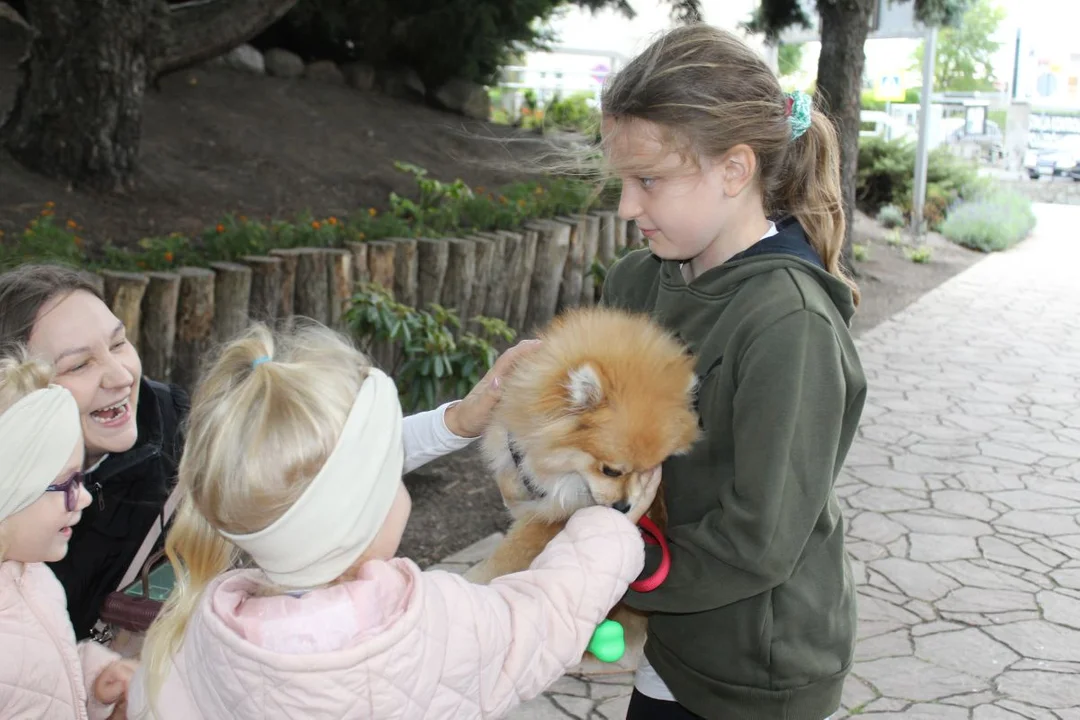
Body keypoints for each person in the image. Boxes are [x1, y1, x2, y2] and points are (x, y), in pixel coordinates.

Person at [127, 322, 657, 719]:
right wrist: (611, 527)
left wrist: (457, 420)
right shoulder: (424, 621)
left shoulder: (199, 632)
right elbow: (543, 617)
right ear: (370, 508)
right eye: (391, 470)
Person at [0, 263, 537, 642]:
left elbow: (319, 464)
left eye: (118, 343)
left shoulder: (166, 420)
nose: (120, 376)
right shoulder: (16, 513)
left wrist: (458, 422)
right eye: (77, 365)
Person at [596, 24, 867, 720]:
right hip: (671, 638)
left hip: (756, 672)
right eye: (623, 181)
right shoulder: (636, 282)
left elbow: (759, 540)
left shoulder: (790, 325)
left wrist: (601, 576)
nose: (627, 207)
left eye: (648, 180)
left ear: (735, 170)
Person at [0, 351, 137, 719]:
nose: (86, 497)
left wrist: (93, 675)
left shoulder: (34, 576)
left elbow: (38, 675)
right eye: (68, 482)